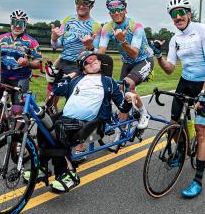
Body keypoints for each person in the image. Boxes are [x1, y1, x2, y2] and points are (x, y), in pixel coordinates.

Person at [43, 51, 146, 193]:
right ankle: (42, 168)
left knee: (60, 127)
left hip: (91, 123)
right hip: (67, 118)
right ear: (82, 68)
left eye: (94, 59)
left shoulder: (108, 82)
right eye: (87, 61)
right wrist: (56, 77)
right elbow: (57, 89)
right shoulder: (76, 80)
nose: (92, 61)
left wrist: (128, 99)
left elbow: (122, 106)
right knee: (43, 124)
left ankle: (70, 173)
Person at [151, 0, 205, 198]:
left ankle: (198, 180)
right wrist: (158, 56)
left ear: (189, 13)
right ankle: (182, 149)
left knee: (201, 130)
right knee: (174, 122)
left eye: (181, 12)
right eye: (173, 14)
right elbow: (169, 69)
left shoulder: (204, 31)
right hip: (187, 80)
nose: (178, 17)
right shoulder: (175, 39)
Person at [49, 0, 102, 158]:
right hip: (63, 61)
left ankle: (80, 145)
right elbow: (56, 46)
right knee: (50, 99)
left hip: (79, 66)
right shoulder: (68, 20)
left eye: (85, 3)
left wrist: (89, 47)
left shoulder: (95, 26)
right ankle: (54, 135)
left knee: (75, 104)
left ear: (91, 6)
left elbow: (97, 53)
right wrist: (54, 37)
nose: (81, 5)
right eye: (78, 1)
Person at [97, 0, 154, 145]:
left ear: (125, 10)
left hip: (143, 60)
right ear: (109, 12)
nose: (116, 13)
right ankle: (120, 132)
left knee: (128, 84)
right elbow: (101, 51)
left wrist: (122, 40)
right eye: (112, 10)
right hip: (127, 63)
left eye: (119, 9)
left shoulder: (136, 27)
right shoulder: (107, 28)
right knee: (121, 96)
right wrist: (91, 52)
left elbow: (134, 53)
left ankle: (144, 113)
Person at [0, 9, 42, 118]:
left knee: (18, 111)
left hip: (21, 79)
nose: (17, 26)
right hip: (3, 76)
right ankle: (2, 130)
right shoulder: (1, 39)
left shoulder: (32, 42)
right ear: (10, 23)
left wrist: (28, 64)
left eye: (20, 23)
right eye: (14, 22)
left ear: (25, 24)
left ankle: (16, 133)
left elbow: (38, 62)